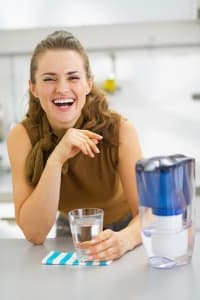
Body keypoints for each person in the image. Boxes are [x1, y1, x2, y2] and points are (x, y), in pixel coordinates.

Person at [7, 30, 143, 261]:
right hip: (69, 231)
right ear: (33, 88)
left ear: (88, 84)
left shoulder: (120, 130)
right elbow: (35, 234)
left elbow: (148, 214)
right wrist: (56, 159)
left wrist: (125, 239)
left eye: (73, 77)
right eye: (49, 79)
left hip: (128, 231)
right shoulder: (21, 137)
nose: (61, 88)